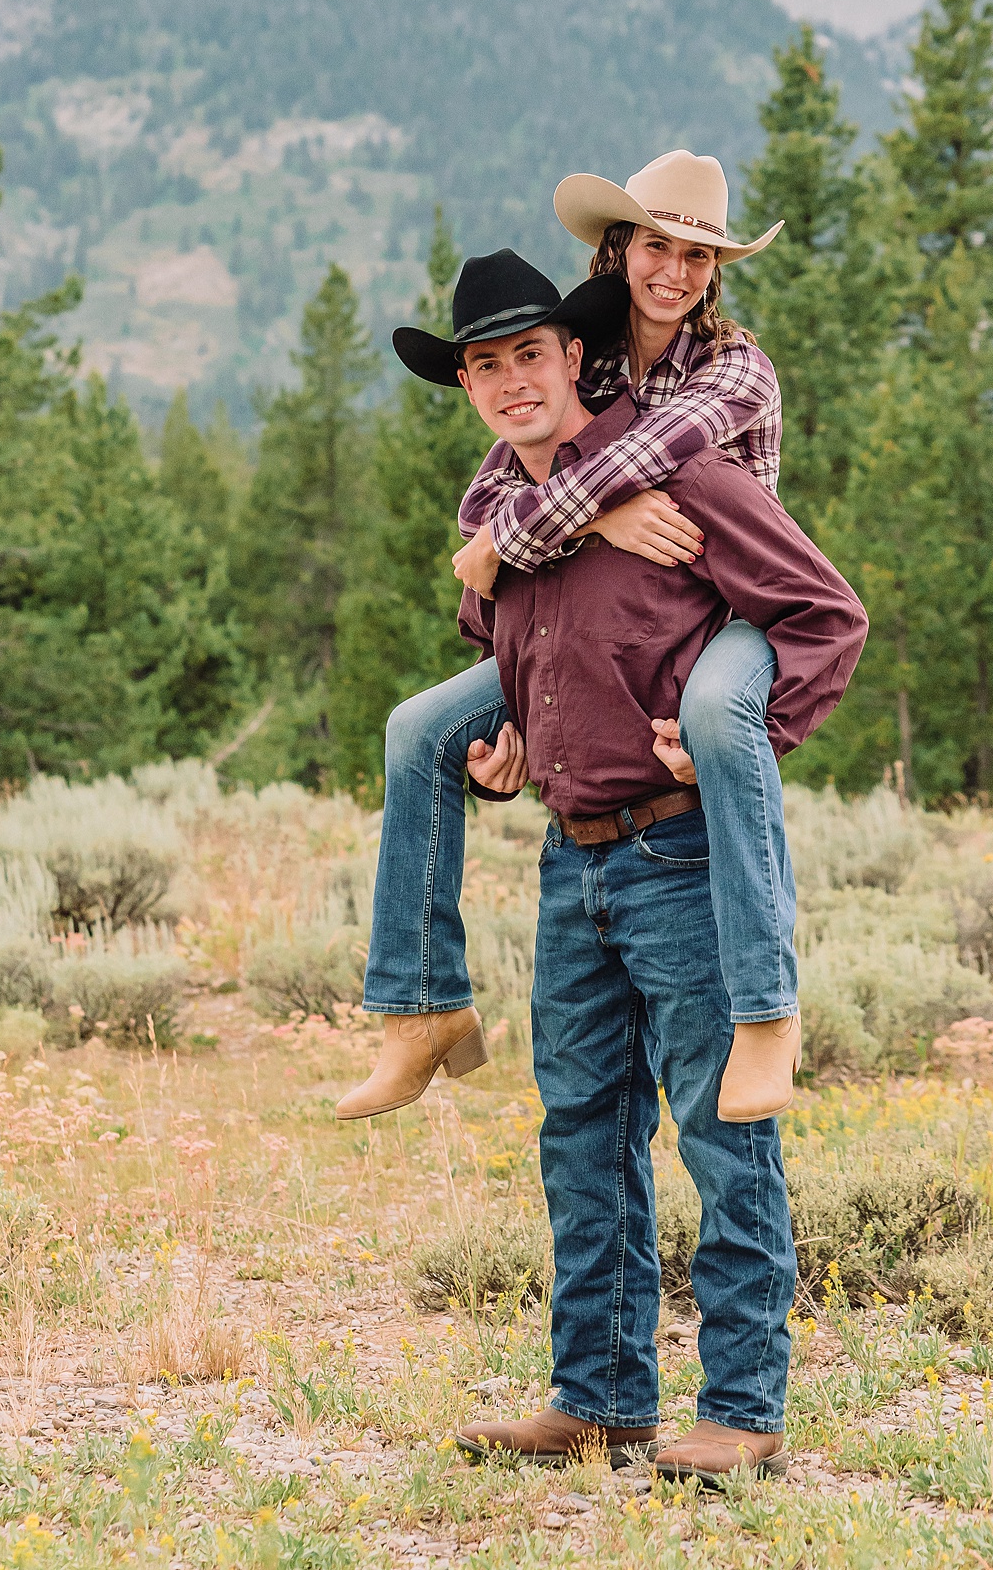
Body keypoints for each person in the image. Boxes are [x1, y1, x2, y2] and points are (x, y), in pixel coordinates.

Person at [409, 256, 865, 1480]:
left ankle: (742, 1412)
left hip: (679, 848)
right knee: (583, 1134)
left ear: (573, 357)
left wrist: (746, 747)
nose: (512, 382)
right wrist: (510, 750)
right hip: (574, 862)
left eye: (531, 356)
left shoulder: (683, 471)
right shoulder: (506, 521)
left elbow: (827, 614)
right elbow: (520, 657)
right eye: (486, 365)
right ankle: (599, 1397)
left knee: (722, 1135)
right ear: (467, 384)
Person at [338, 151, 805, 1126]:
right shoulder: (572, 363)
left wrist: (526, 532)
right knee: (417, 732)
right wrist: (577, 525)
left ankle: (769, 1009)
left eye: (697, 255)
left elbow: (644, 456)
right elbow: (490, 498)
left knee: (721, 715)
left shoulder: (731, 368)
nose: (674, 272)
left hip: (723, 613)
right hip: (596, 634)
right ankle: (420, 1005)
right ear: (617, 249)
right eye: (656, 247)